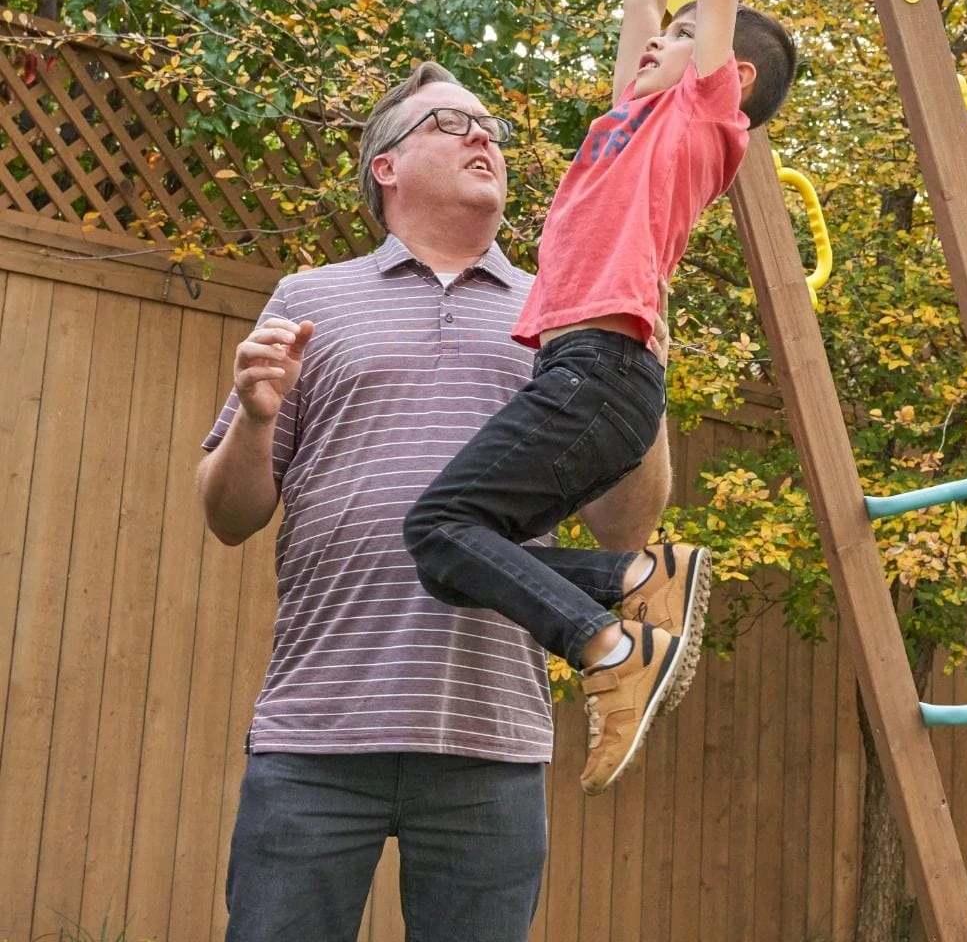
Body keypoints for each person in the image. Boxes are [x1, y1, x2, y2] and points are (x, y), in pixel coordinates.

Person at [196, 58, 678, 941]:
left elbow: (624, 526)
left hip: (492, 741)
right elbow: (229, 517)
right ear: (386, 165)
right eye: (452, 123)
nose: (484, 134)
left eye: (488, 124)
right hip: (317, 731)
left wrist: (639, 356)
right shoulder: (310, 298)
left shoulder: (563, 312)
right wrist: (257, 420)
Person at [403, 0, 798, 797]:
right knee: (459, 552)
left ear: (726, 71)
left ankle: (610, 641)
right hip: (582, 377)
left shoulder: (706, 121)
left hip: (604, 370)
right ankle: (627, 586)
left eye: (682, 37)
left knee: (440, 525)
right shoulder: (628, 118)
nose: (656, 41)